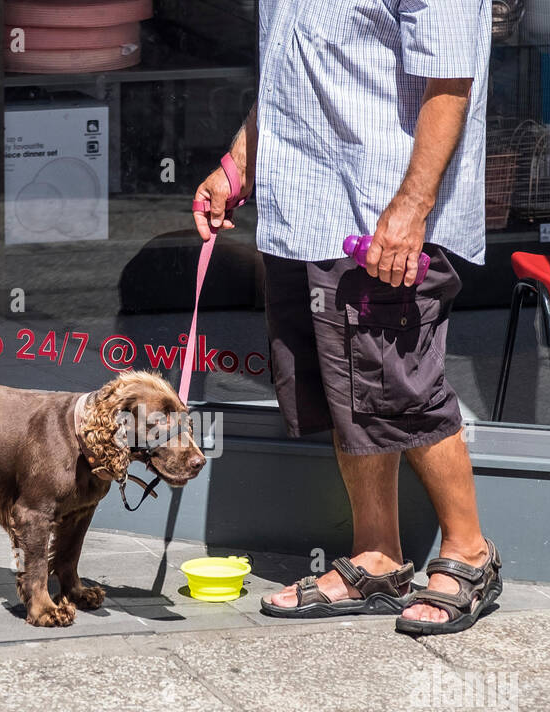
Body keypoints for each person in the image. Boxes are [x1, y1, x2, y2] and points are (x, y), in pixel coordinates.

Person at [192, 0, 501, 635]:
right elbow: (289, 70)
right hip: (306, 205)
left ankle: (470, 550)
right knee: (348, 387)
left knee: (402, 383)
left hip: (384, 209)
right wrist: (239, 162)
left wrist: (411, 208)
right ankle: (378, 557)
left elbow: (450, 85)